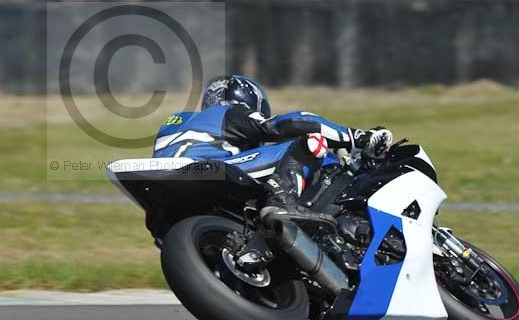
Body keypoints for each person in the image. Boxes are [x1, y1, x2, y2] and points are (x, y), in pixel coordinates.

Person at [153, 74, 392, 223]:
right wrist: (357, 137)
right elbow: (285, 124)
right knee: (309, 142)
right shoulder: (229, 113)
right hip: (206, 169)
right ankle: (282, 203)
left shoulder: (178, 119)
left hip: (165, 188)